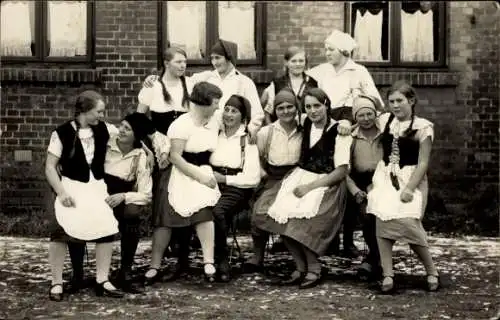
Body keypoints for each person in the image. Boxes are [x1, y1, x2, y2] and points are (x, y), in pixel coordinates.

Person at [46, 91, 169, 301]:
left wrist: (151, 149)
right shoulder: (62, 133)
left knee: (106, 227)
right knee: (61, 230)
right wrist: (62, 192)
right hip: (71, 186)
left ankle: (102, 279)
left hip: (96, 187)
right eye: (99, 111)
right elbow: (49, 167)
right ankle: (56, 282)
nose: (102, 116)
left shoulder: (104, 129)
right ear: (85, 111)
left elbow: (136, 130)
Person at [253, 88, 352, 289]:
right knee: (271, 213)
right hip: (299, 177)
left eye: (318, 105)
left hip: (326, 183)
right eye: (308, 107)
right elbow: (282, 115)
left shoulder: (338, 132)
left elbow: (341, 171)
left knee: (299, 221)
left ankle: (314, 268)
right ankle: (300, 267)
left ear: (327, 105)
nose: (313, 111)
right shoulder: (305, 122)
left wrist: (346, 122)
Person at [144, 82, 223, 285]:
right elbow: (175, 158)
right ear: (203, 103)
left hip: (204, 169)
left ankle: (208, 262)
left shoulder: (214, 121)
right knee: (166, 216)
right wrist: (200, 177)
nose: (218, 107)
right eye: (215, 103)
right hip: (181, 172)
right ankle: (155, 265)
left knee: (203, 211)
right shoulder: (181, 124)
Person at [366, 80, 439, 293]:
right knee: (383, 223)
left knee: (409, 224)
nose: (395, 106)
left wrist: (409, 188)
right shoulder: (385, 121)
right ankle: (388, 274)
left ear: (412, 100)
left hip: (412, 179)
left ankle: (431, 270)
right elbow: (362, 121)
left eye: (400, 101)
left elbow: (423, 162)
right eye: (391, 102)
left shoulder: (422, 127)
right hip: (387, 177)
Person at [137, 47, 194, 281]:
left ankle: (183, 260)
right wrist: (152, 142)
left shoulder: (191, 84)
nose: (183, 66)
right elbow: (138, 120)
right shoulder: (152, 87)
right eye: (178, 62)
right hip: (163, 156)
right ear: (166, 62)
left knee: (187, 204)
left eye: (185, 62)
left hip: (187, 154)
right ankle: (158, 260)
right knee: (164, 204)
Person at [142, 39, 265, 143]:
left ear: (229, 58)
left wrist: (251, 130)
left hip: (233, 135)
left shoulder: (244, 82)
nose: (214, 62)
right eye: (212, 58)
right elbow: (178, 80)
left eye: (218, 58)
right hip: (208, 134)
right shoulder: (207, 77)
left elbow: (257, 113)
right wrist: (154, 79)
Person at [244, 89, 303, 272]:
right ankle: (258, 255)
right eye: (281, 108)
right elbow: (256, 158)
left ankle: (301, 259)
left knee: (292, 211)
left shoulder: (304, 129)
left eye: (290, 107)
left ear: (297, 108)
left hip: (297, 178)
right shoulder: (266, 133)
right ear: (275, 111)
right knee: (260, 211)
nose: (286, 111)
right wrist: (262, 173)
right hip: (273, 178)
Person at [103, 112, 158, 293]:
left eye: (128, 129)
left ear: (137, 135)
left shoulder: (140, 157)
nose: (122, 131)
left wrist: (124, 196)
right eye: (122, 126)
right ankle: (81, 275)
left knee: (132, 215)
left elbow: (146, 194)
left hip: (119, 197)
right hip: (98, 192)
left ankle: (125, 271)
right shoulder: (107, 142)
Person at [209, 94, 261, 282]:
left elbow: (253, 178)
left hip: (237, 187)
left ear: (243, 117)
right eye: (227, 110)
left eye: (235, 111)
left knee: (218, 211)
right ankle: (190, 260)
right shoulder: (215, 134)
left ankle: (221, 260)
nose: (229, 114)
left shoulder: (247, 140)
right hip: (211, 182)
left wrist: (225, 178)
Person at [345, 95, 384, 279]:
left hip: (383, 181)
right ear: (355, 117)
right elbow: (343, 170)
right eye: (361, 115)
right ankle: (377, 258)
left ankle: (373, 259)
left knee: (382, 213)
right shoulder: (350, 137)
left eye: (370, 114)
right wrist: (355, 190)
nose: (366, 118)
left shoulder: (385, 133)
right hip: (358, 182)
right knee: (367, 215)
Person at [307, 29, 383, 123]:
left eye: (331, 49)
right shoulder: (321, 71)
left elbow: (374, 99)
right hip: (325, 121)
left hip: (352, 121)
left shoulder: (359, 71)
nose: (327, 53)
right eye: (326, 50)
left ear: (343, 52)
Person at [261, 46, 318, 124]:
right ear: (286, 62)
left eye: (301, 61)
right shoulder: (277, 83)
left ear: (305, 62)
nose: (298, 64)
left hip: (306, 129)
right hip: (282, 128)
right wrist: (271, 128)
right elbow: (267, 113)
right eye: (293, 61)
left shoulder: (313, 83)